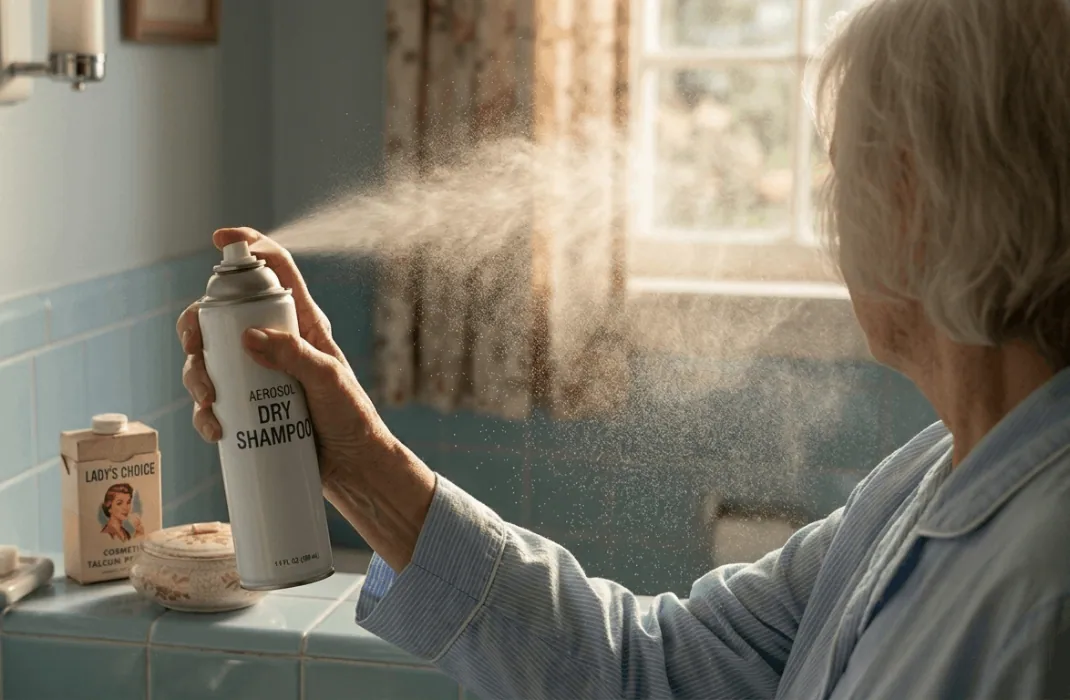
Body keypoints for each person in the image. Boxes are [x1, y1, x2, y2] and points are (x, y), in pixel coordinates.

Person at [176, 1, 1070, 697]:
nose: (831, 209)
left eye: (841, 170)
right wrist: (361, 462)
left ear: (918, 202)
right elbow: (656, 669)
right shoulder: (922, 482)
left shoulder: (1042, 583)